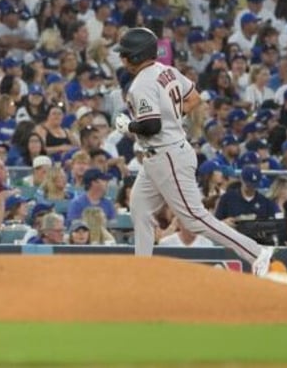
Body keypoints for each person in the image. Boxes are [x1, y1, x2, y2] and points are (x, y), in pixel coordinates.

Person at [114, 27, 272, 276]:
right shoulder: (167, 71)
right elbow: (194, 98)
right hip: (166, 152)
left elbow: (151, 125)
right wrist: (171, 116)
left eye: (124, 54)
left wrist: (128, 127)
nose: (121, 58)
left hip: (166, 154)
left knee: (193, 218)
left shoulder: (141, 84)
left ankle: (256, 252)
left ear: (134, 56)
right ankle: (141, 269)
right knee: (140, 207)